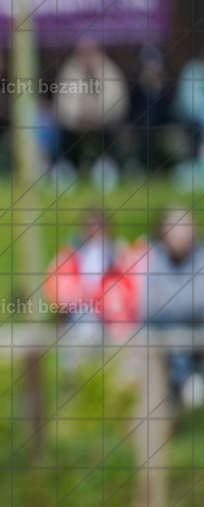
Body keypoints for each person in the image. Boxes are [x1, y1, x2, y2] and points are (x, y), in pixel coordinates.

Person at [142, 208, 204, 409]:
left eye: (184, 227)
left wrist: (174, 304)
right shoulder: (153, 260)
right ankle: (180, 389)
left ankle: (185, 387)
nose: (180, 234)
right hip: (166, 337)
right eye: (174, 229)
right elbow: (149, 306)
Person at [54, 39, 129, 169]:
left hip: (105, 124)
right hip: (76, 126)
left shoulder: (109, 70)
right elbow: (63, 103)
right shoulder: (70, 70)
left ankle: (112, 166)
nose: (87, 57)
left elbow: (117, 102)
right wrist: (80, 113)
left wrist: (98, 112)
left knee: (115, 135)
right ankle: (68, 166)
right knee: (64, 136)